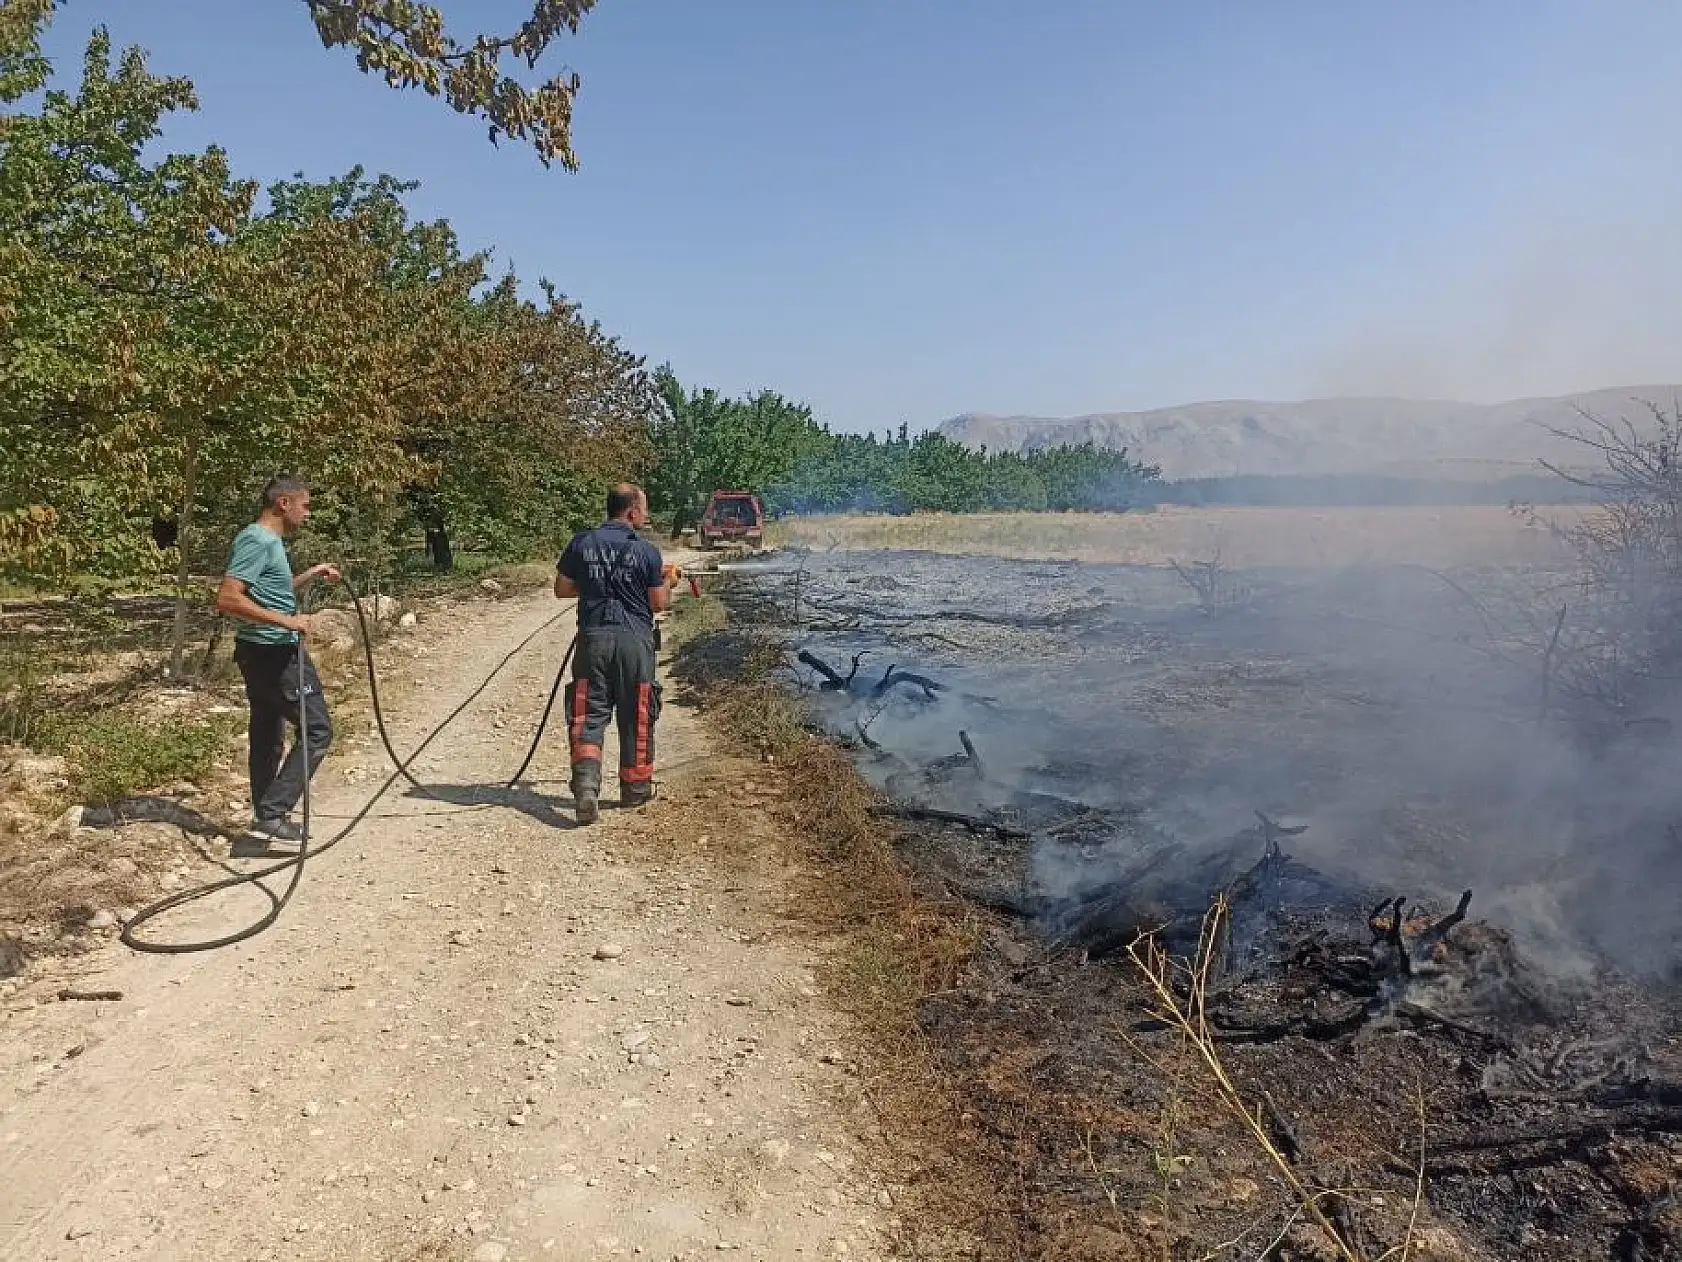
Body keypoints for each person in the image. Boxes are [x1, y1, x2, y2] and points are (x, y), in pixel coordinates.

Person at [214, 475, 339, 847]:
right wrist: (290, 622)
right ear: (283, 503)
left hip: (261, 652)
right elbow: (228, 598)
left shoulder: (269, 543)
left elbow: (273, 592)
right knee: (317, 730)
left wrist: (312, 574)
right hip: (275, 653)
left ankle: (264, 819)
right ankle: (272, 814)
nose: (308, 512)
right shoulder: (257, 540)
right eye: (306, 505)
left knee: (268, 735)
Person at [554, 483, 679, 823]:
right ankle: (635, 792)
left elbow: (562, 589)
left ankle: (585, 788)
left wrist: (597, 585)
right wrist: (670, 581)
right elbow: (658, 603)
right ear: (632, 512)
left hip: (592, 640)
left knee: (588, 715)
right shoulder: (647, 552)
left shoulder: (582, 542)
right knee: (636, 715)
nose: (646, 515)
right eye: (645, 509)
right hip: (634, 643)